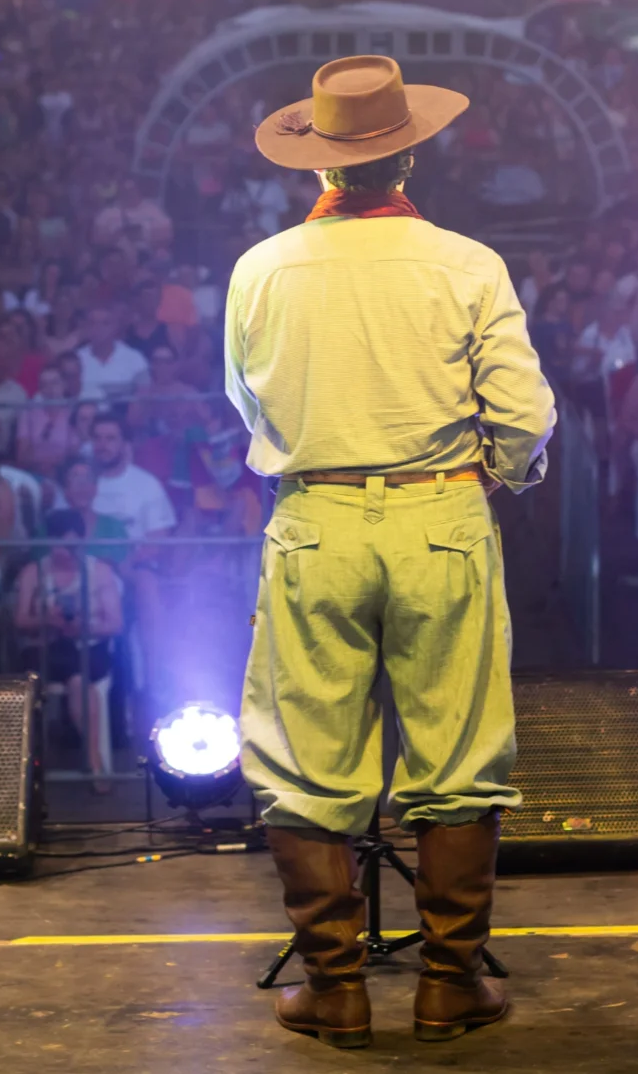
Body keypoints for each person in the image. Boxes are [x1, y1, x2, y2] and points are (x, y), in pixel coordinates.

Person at [225, 56, 555, 1048]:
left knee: (304, 759)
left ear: (317, 164)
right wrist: (494, 473)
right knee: (458, 759)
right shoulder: (466, 263)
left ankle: (336, 988)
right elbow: (526, 415)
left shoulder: (261, 268)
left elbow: (247, 401)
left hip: (316, 518)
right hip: (440, 515)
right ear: (408, 154)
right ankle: (448, 985)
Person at [10, 507, 124, 782]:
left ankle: (94, 759)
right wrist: (46, 620)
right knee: (74, 676)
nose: (66, 549)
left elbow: (115, 624)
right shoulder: (33, 572)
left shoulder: (99, 571)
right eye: (60, 541)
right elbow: (19, 620)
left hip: (90, 648)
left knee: (77, 676)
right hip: (45, 649)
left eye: (72, 542)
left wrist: (83, 627)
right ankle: (95, 762)